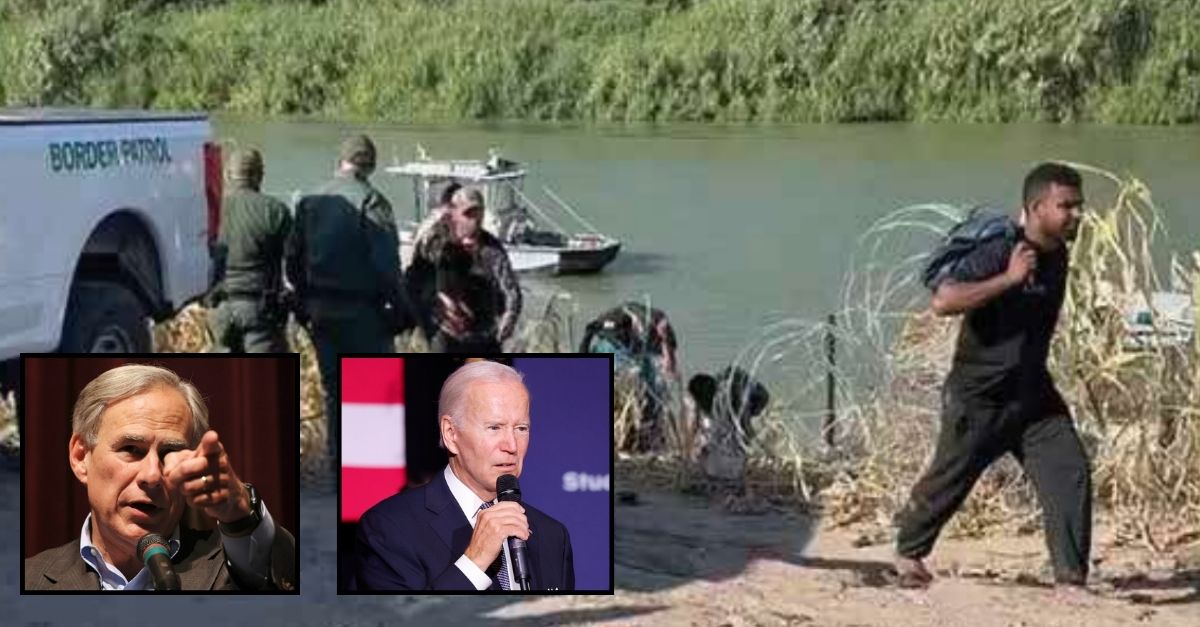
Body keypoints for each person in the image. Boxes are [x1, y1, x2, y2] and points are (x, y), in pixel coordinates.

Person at [894, 163, 1090, 589]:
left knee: (1069, 471)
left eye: (1079, 206)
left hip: (1033, 391)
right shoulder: (1001, 249)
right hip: (980, 392)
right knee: (951, 477)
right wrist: (1008, 279)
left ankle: (1071, 580)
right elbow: (944, 301)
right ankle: (909, 552)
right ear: (1036, 207)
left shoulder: (1057, 250)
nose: (1076, 214)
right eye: (1066, 206)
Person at [23, 364, 296, 590]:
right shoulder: (30, 580)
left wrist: (241, 512)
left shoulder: (232, 572)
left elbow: (278, 578)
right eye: (131, 450)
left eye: (169, 453)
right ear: (81, 457)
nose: (153, 476)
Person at [354, 360, 574, 590]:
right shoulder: (389, 527)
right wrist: (474, 562)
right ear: (451, 433)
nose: (512, 445)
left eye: (521, 428)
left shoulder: (552, 535)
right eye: (494, 428)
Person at [285, 134, 410, 459]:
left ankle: (337, 468)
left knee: (334, 394)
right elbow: (387, 266)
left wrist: (303, 302)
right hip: (363, 314)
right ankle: (369, 477)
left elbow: (293, 259)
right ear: (370, 164)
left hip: (322, 312)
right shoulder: (372, 201)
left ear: (340, 160)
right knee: (372, 392)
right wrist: (402, 309)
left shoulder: (310, 200)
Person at [406, 187, 522, 354]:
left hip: (485, 336)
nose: (475, 220)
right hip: (446, 335)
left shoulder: (491, 248)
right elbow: (412, 284)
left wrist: (510, 317)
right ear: (454, 214)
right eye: (468, 214)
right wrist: (428, 319)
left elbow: (511, 290)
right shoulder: (437, 246)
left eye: (478, 213)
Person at [208, 147, 293, 353]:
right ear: (259, 175)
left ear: (228, 175)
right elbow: (294, 260)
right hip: (259, 311)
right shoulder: (274, 210)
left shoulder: (212, 211)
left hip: (220, 309)